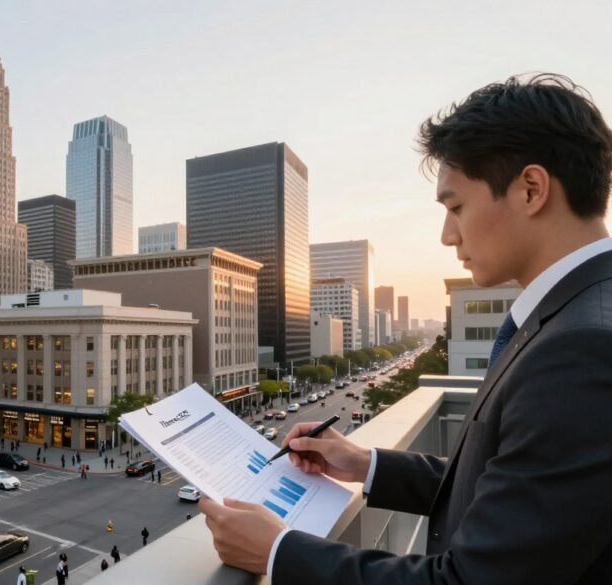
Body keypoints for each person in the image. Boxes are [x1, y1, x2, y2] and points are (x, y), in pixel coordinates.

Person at [198, 74, 612, 584]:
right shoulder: (577, 315)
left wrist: (279, 552)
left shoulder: (582, 349)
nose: (446, 234)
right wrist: (365, 463)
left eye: (456, 206)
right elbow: (516, 494)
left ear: (531, 189)